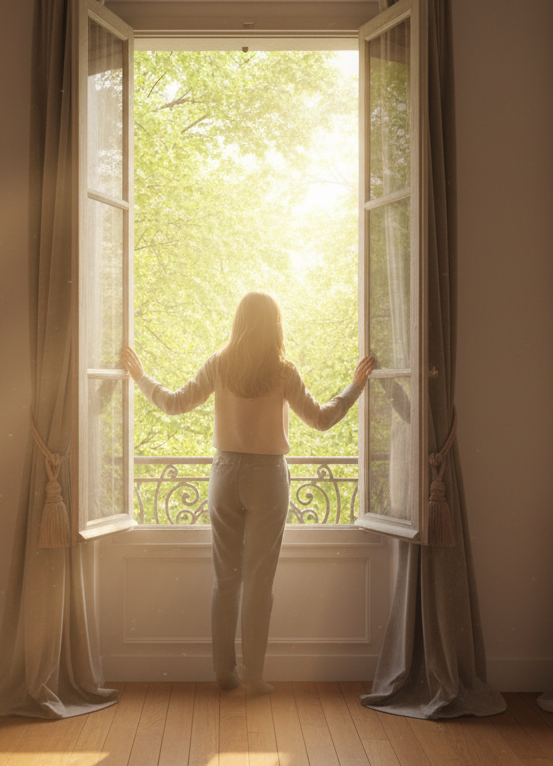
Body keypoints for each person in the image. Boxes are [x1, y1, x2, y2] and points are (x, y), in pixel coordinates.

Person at [122, 290, 375, 694]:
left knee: (226, 580)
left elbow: (173, 404)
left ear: (238, 322)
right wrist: (355, 386)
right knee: (259, 580)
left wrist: (140, 376)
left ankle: (224, 670)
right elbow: (322, 420)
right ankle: (255, 677)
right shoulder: (282, 372)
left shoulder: (219, 365)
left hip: (224, 473)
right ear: (274, 325)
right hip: (267, 477)